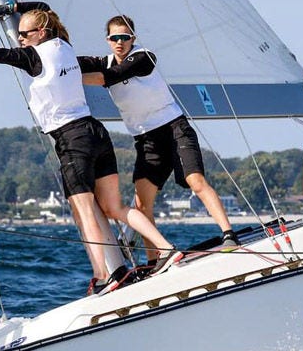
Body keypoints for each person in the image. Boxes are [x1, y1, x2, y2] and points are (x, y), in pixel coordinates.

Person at [0, 2, 181, 295]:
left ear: (41, 32)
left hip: (71, 138)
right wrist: (13, 8)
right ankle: (165, 248)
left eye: (24, 33)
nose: (19, 39)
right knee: (115, 208)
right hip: (96, 132)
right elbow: (44, 7)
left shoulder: (34, 56)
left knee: (83, 211)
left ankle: (104, 275)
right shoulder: (65, 46)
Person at [78, 15, 238, 259]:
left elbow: (108, 78)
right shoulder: (103, 61)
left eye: (125, 37)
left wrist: (72, 79)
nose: (120, 42)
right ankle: (156, 259)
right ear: (107, 40)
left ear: (133, 38)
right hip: (146, 140)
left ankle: (229, 235)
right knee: (142, 204)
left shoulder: (144, 57)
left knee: (196, 182)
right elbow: (71, 63)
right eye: (114, 38)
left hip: (174, 128)